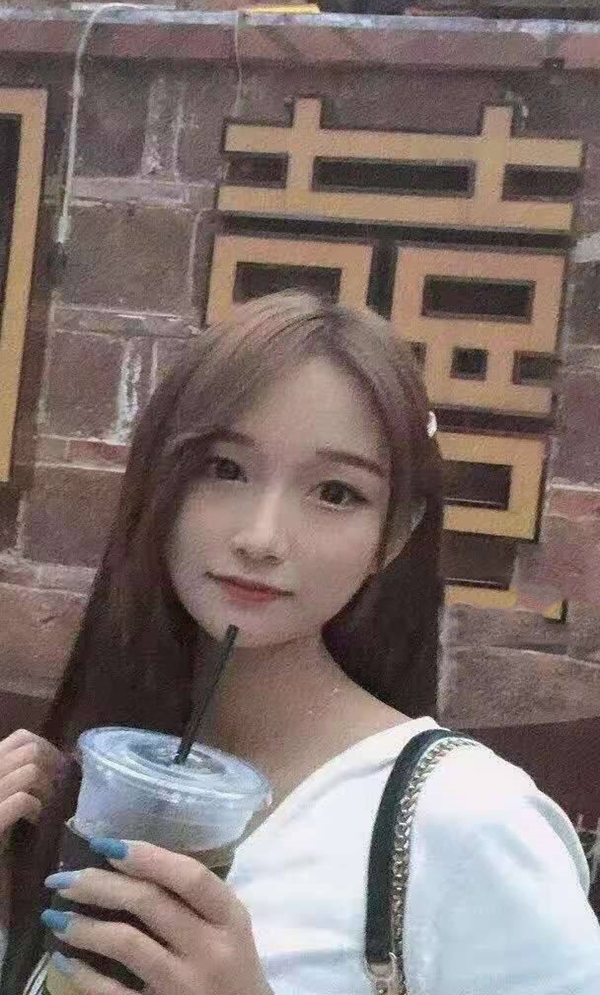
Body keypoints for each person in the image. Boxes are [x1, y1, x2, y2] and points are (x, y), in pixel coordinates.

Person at [0, 290, 599, 995]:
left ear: (395, 535)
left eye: (336, 493)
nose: (261, 538)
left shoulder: (469, 821)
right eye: (224, 469)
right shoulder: (97, 778)